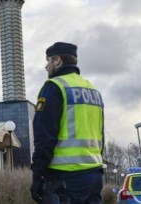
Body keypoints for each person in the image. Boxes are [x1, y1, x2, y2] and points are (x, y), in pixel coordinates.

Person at [30, 42, 104, 204]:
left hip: (64, 178)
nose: (46, 66)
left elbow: (44, 136)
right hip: (94, 175)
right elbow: (101, 136)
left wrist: (38, 174)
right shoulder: (93, 90)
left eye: (48, 60)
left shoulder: (55, 87)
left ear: (57, 60)